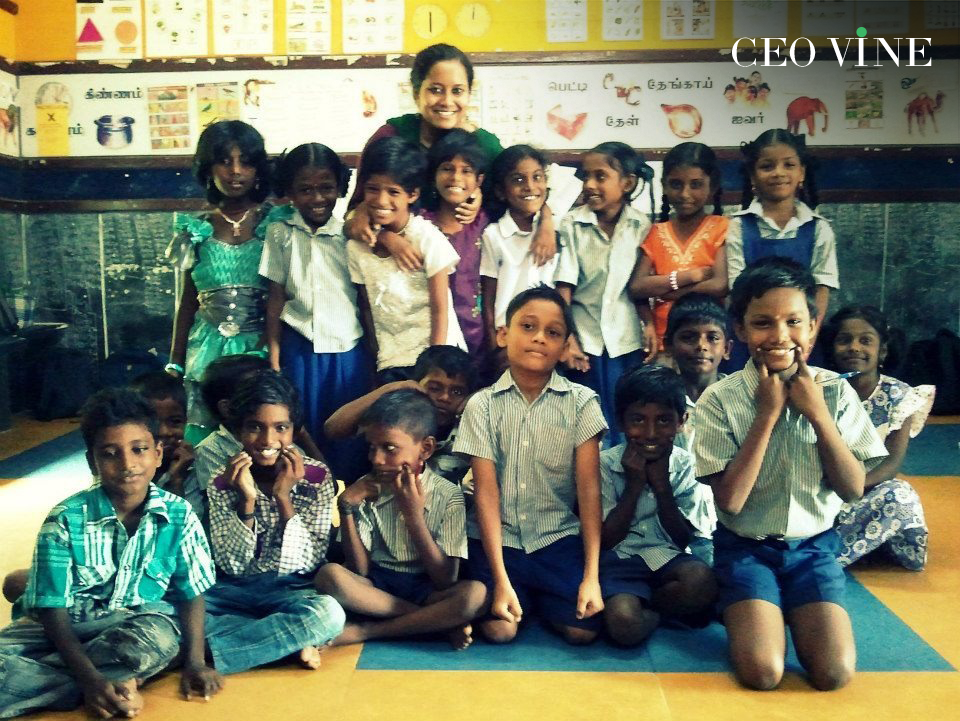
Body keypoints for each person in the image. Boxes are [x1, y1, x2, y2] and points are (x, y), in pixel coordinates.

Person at [693, 257, 887, 691]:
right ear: (740, 330)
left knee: (833, 673)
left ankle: (779, 607)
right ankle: (747, 603)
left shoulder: (834, 392)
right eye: (762, 323)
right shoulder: (720, 399)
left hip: (813, 550)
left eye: (793, 321)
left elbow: (852, 488)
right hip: (746, 548)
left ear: (813, 327)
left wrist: (818, 413)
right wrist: (766, 414)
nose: (780, 336)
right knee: (763, 672)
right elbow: (731, 502)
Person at [0, 389, 222, 718]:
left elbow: (191, 594)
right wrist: (90, 679)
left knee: (157, 640)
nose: (127, 464)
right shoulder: (65, 519)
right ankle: (112, 685)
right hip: (62, 627)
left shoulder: (179, 515)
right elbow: (51, 610)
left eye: (139, 450)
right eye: (110, 453)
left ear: (158, 453)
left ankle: (54, 681)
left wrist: (195, 662)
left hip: (136, 625)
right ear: (92, 461)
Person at [454, 286, 608, 645]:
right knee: (500, 630)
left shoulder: (582, 403)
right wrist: (500, 579)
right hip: (500, 541)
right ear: (503, 334)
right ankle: (519, 590)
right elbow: (486, 495)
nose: (539, 338)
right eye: (528, 326)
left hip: (556, 540)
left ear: (565, 347)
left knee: (582, 632)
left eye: (552, 333)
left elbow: (589, 493)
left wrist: (591, 577)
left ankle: (540, 596)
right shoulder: (482, 405)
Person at [346, 43, 555, 279]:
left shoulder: (485, 145)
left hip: (470, 268)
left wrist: (546, 222)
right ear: (416, 93)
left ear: (469, 94)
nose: (447, 101)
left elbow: (525, 189)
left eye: (457, 91)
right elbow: (355, 213)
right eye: (435, 90)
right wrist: (382, 234)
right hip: (399, 269)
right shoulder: (391, 137)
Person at [315, 389, 486, 649]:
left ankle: (367, 631)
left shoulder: (448, 495)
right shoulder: (366, 488)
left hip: (426, 589)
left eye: (390, 448)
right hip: (376, 588)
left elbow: (445, 580)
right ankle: (432, 622)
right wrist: (346, 507)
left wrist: (413, 515)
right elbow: (360, 570)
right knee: (329, 575)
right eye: (372, 448)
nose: (376, 459)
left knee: (475, 595)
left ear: (426, 448)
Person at [204, 370, 345, 673]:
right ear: (238, 430)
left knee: (329, 614)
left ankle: (213, 651)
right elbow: (232, 566)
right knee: (177, 610)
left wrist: (283, 497)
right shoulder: (221, 481)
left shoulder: (316, 477)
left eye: (281, 428)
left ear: (294, 430)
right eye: (255, 427)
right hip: (233, 592)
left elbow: (307, 562)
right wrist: (246, 500)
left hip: (292, 591)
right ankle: (282, 644)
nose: (268, 440)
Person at [165, 120, 287, 433]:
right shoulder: (196, 230)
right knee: (205, 431)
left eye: (245, 162)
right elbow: (187, 303)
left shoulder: (275, 223)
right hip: (206, 349)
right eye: (224, 161)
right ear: (208, 168)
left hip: (259, 347)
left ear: (258, 169)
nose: (235, 171)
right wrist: (175, 362)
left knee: (258, 429)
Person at [261, 142, 372, 482]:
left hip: (348, 352)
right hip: (299, 350)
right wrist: (274, 359)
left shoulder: (349, 234)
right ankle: (307, 498)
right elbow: (275, 298)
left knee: (348, 432)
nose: (317, 198)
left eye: (326, 188)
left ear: (340, 187)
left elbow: (364, 299)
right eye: (305, 190)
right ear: (290, 192)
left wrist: (374, 354)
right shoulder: (280, 233)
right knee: (303, 428)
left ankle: (347, 501)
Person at [600, 366, 717, 646]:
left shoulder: (688, 465)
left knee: (701, 582)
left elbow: (684, 539)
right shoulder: (604, 464)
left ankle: (651, 603)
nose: (650, 433)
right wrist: (634, 485)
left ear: (682, 421)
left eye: (664, 420)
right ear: (620, 421)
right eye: (638, 420)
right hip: (620, 560)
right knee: (624, 623)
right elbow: (605, 540)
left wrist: (662, 486)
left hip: (671, 557)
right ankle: (658, 613)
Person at [555, 142, 655, 446]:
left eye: (600, 177)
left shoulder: (641, 226)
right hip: (585, 342)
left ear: (627, 183)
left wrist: (649, 324)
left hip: (626, 341)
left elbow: (639, 286)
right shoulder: (572, 224)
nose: (589, 185)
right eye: (586, 176)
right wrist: (568, 339)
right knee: (591, 425)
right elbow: (564, 288)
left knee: (627, 419)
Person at [822, 305, 934, 570]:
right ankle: (827, 548)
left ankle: (825, 556)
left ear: (882, 351)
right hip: (823, 490)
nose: (854, 347)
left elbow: (892, 463)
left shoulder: (900, 396)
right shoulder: (820, 389)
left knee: (900, 495)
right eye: (844, 340)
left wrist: (852, 488)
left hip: (866, 491)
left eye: (866, 341)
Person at [347, 136, 465, 382]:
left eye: (393, 192)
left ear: (412, 194)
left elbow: (440, 310)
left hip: (438, 359)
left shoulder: (427, 238)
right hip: (390, 360)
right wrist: (377, 357)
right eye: (373, 189)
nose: (381, 200)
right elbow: (367, 309)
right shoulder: (356, 246)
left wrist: (433, 366)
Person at [724, 129, 839, 369]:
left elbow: (821, 289)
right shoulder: (738, 226)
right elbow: (737, 289)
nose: (778, 173)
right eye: (767, 166)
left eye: (789, 165)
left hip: (800, 338)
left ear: (802, 172)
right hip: (751, 339)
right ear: (753, 176)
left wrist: (808, 340)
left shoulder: (819, 228)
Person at [628, 142, 729, 357]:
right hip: (664, 342)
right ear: (664, 185)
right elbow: (637, 287)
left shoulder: (722, 228)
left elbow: (720, 285)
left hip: (708, 345)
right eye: (676, 184)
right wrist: (691, 276)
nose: (684, 194)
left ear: (712, 186)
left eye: (696, 185)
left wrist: (668, 291)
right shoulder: (655, 232)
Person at [324, 345, 476, 486]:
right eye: (435, 388)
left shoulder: (469, 424)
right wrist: (393, 387)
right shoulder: (398, 412)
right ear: (416, 384)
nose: (445, 397)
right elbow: (332, 428)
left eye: (457, 392)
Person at [480, 144, 560, 376]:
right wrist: (494, 345)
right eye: (518, 179)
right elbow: (488, 299)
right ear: (500, 191)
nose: (530, 186)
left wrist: (547, 220)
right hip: (508, 339)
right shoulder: (494, 235)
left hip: (547, 339)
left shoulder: (558, 229)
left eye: (537, 177)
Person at [419, 129, 492, 356]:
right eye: (447, 168)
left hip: (478, 340)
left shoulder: (485, 223)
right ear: (433, 175)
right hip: (430, 337)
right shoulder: (419, 225)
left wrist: (546, 219)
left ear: (479, 180)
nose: (456, 178)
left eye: (466, 171)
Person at [664, 293, 732, 451]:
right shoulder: (659, 400)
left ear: (727, 349)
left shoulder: (741, 399)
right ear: (668, 346)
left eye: (712, 338)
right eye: (688, 337)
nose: (701, 346)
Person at [129, 371, 194, 496]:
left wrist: (176, 480)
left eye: (175, 421)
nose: (164, 432)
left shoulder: (190, 466)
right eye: (153, 423)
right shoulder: (126, 466)